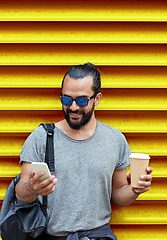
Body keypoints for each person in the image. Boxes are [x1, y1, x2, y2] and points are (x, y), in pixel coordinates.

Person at [15, 63, 153, 239]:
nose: (73, 107)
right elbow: (21, 193)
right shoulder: (42, 136)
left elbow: (118, 195)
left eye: (81, 100)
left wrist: (136, 189)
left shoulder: (115, 139)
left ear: (97, 99)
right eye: (66, 99)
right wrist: (32, 187)